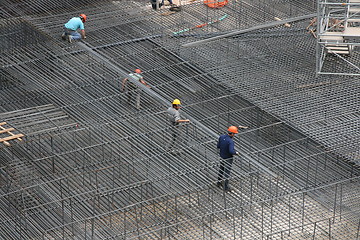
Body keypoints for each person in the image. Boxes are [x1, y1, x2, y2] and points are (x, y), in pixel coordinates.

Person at [217, 126, 239, 192]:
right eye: (234, 134)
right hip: (228, 158)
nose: (234, 135)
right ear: (232, 133)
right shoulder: (230, 141)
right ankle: (226, 187)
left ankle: (219, 182)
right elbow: (231, 151)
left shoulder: (221, 137)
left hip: (222, 156)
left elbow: (218, 146)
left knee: (221, 169)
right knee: (227, 172)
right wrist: (236, 153)